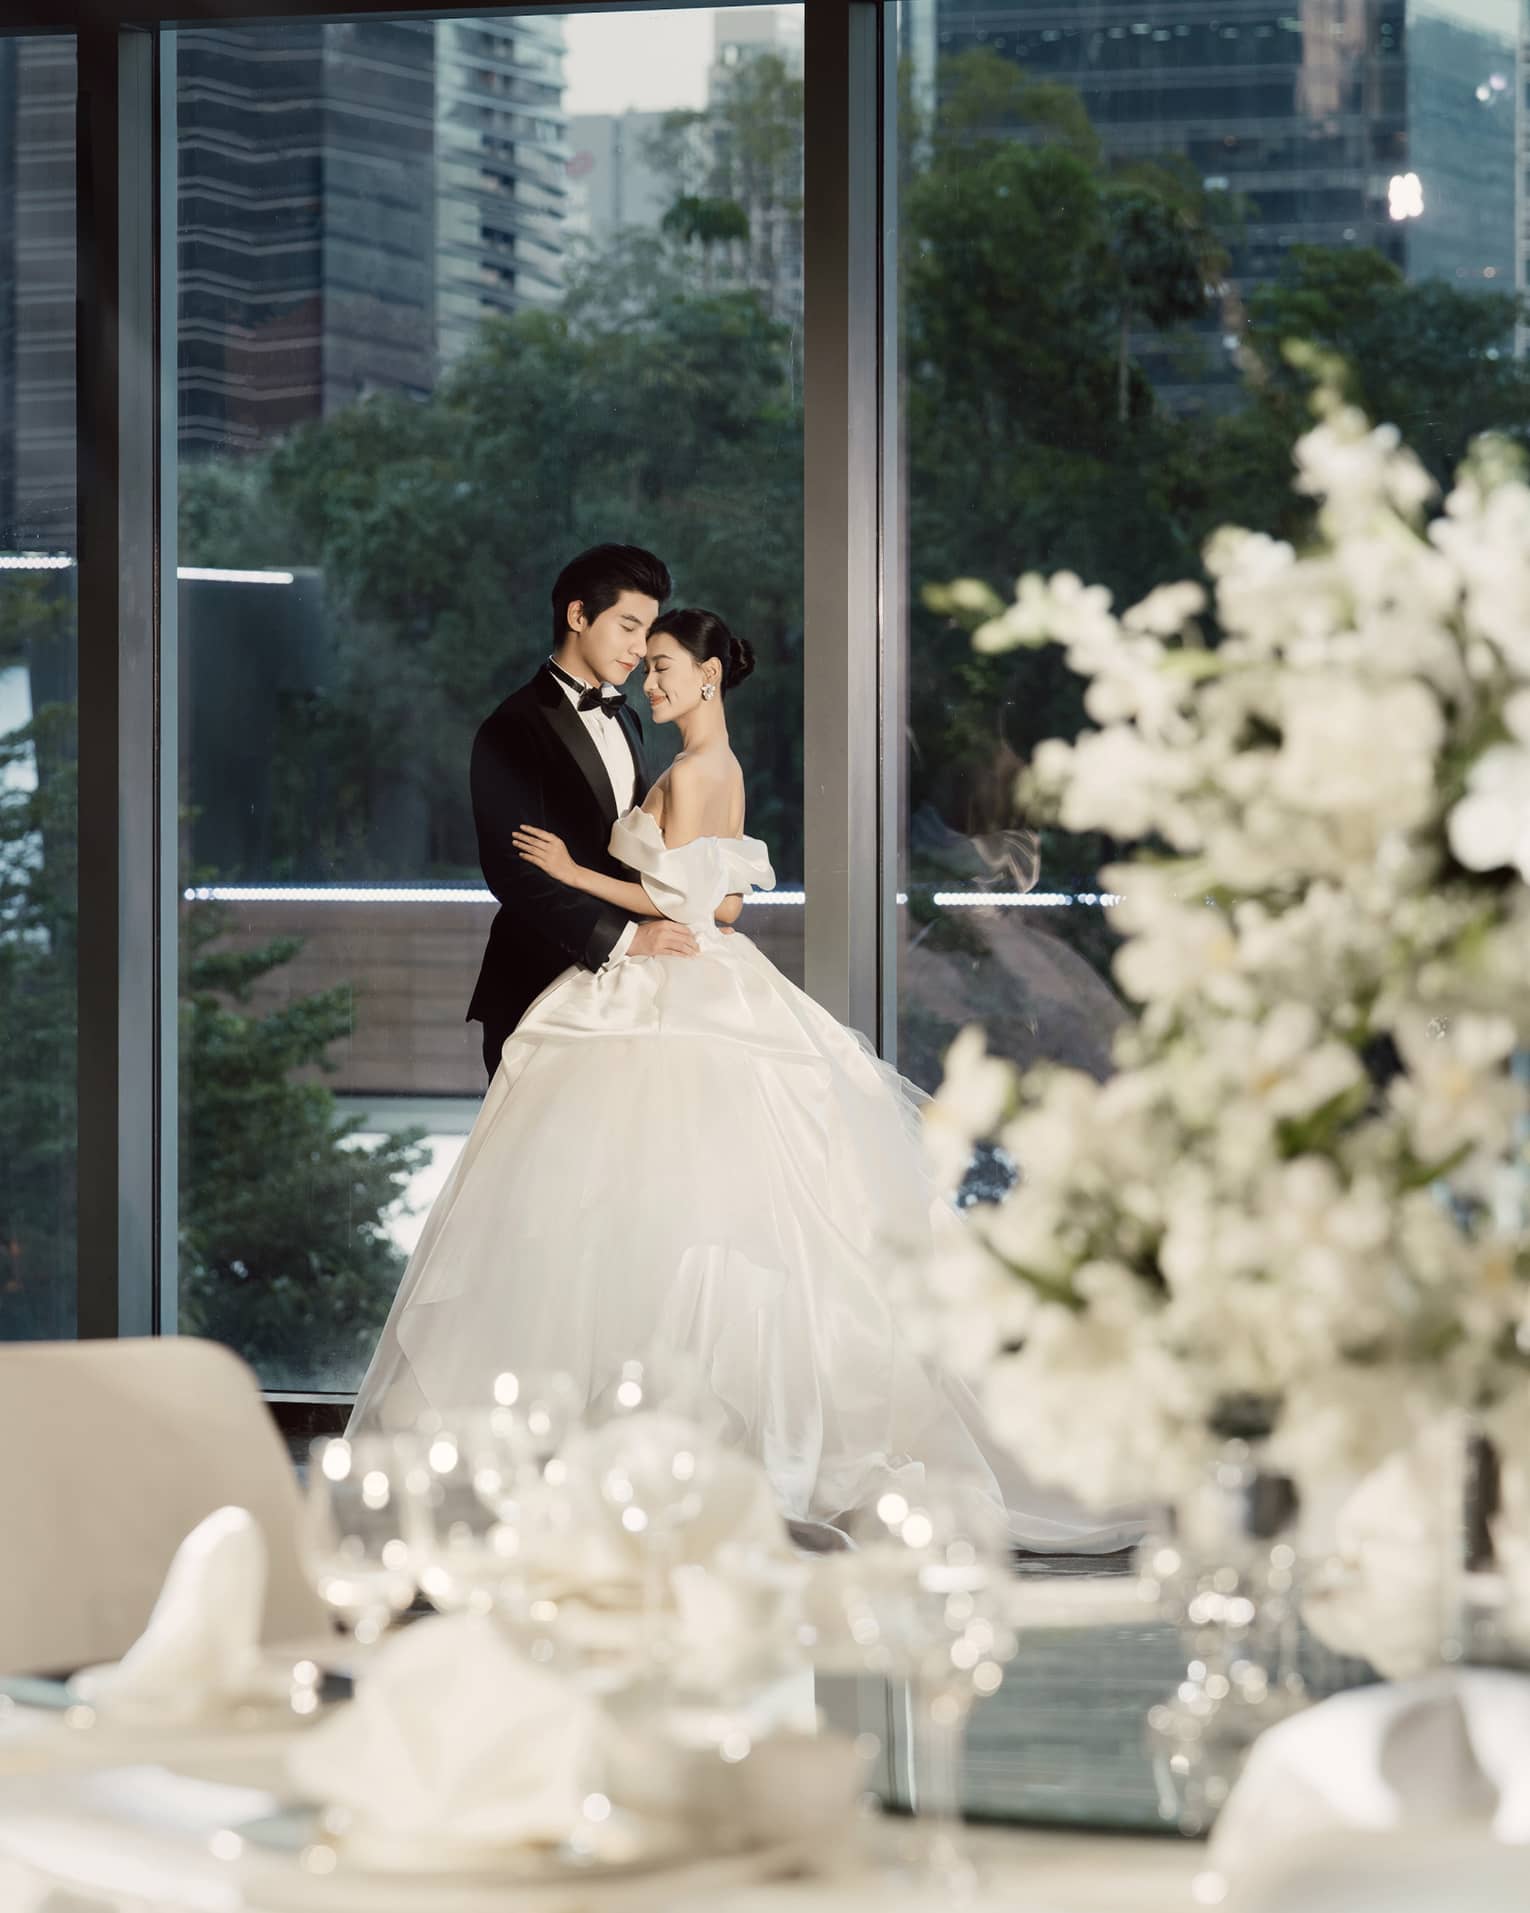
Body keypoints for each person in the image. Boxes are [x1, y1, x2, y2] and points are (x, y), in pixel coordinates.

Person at [351, 605, 1132, 1550]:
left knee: (633, 1200)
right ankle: (704, 1429)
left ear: (712, 674)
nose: (652, 680)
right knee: (702, 1205)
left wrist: (575, 870)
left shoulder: (688, 770)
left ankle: (644, 1433)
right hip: (701, 970)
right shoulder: (719, 770)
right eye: (648, 669)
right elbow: (723, 901)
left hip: (668, 979)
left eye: (668, 665)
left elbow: (684, 902)